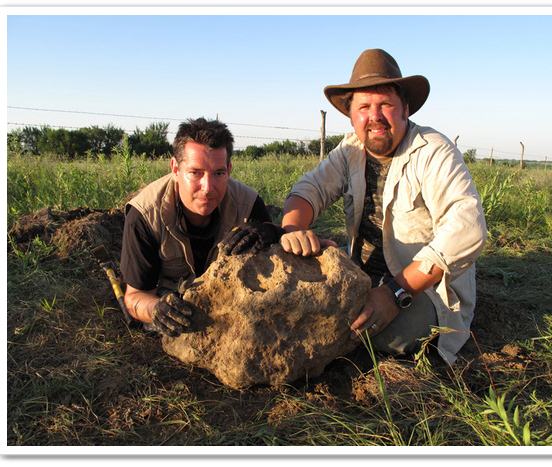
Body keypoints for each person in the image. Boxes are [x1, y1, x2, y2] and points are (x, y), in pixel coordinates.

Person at [280, 49, 487, 364]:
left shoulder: (433, 151)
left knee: (379, 332)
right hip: (362, 274)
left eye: (385, 105)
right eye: (364, 107)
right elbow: (310, 189)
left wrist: (395, 292)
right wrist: (293, 229)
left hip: (421, 287)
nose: (374, 116)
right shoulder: (350, 150)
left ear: (405, 109)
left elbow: (468, 228)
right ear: (352, 115)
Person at [120, 117, 283, 337]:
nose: (207, 188)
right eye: (195, 173)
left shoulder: (248, 203)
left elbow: (281, 260)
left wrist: (272, 232)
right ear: (175, 168)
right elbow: (134, 297)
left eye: (218, 173)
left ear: (229, 169)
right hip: (173, 299)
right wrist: (156, 309)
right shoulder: (144, 215)